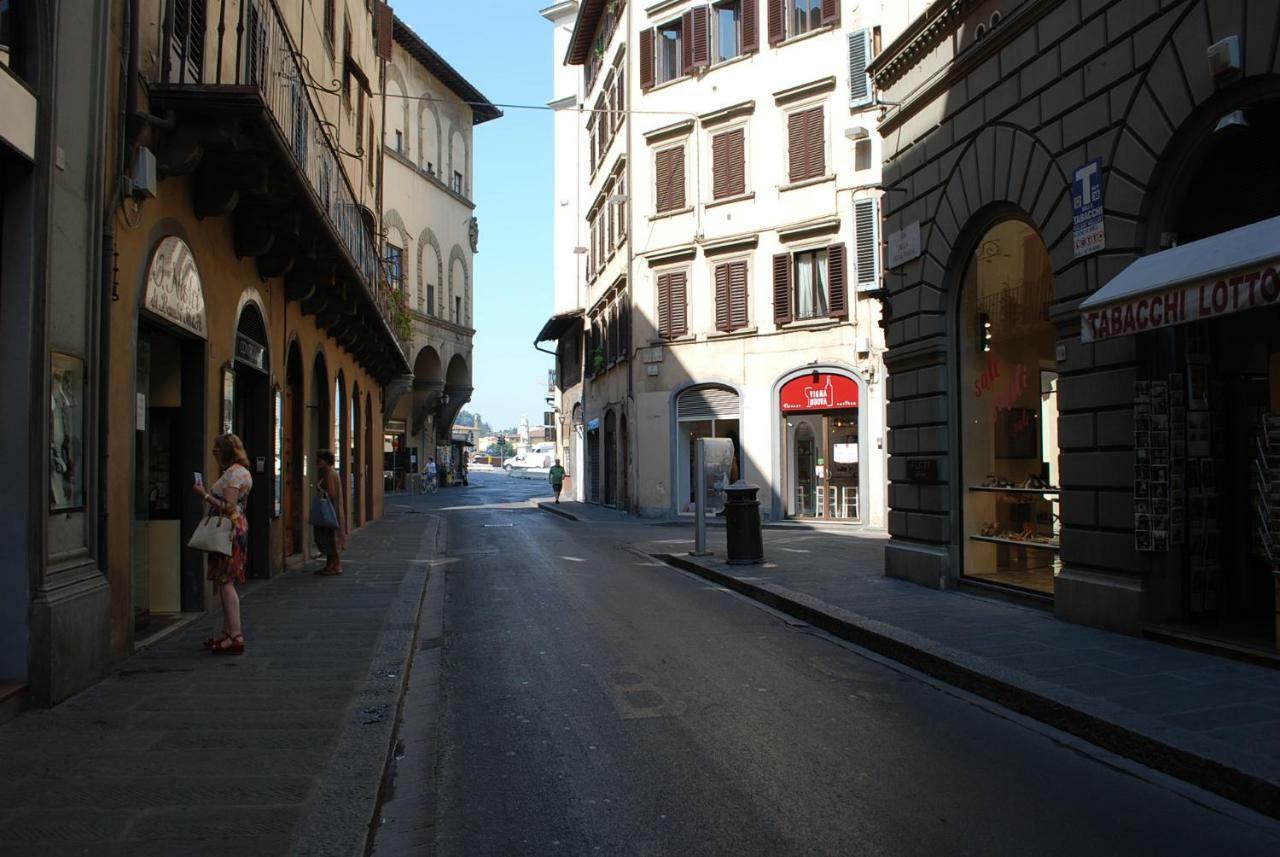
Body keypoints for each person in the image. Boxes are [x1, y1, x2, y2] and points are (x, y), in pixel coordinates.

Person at [195, 433, 253, 655]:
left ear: (226, 452)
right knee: (224, 580)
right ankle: (228, 631)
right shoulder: (240, 472)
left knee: (226, 581)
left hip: (228, 530)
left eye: (216, 450)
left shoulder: (234, 474)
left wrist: (204, 495)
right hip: (234, 528)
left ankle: (236, 635)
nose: (214, 453)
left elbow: (229, 507)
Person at [313, 450, 347, 575]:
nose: (317, 463)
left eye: (319, 460)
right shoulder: (332, 473)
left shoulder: (329, 474)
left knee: (331, 538)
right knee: (329, 538)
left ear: (326, 461)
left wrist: (319, 488)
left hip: (331, 512)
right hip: (334, 511)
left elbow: (331, 494)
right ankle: (330, 565)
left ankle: (336, 565)